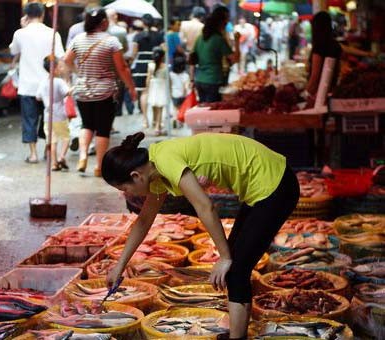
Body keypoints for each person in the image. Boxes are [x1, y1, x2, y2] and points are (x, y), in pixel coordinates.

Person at [102, 132, 299, 339]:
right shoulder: (156, 171)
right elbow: (144, 220)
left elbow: (206, 207)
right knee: (235, 267)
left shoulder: (165, 160)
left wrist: (224, 257)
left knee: (236, 269)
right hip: (263, 184)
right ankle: (236, 333)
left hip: (275, 184)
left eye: (124, 188)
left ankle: (237, 337)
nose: (127, 194)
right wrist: (120, 265)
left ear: (135, 176)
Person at [64, 7, 136, 177]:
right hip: (104, 91)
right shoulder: (111, 42)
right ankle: (99, 167)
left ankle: (82, 157)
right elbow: (122, 68)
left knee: (87, 125)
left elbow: (66, 60)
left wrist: (78, 72)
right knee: (103, 129)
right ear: (104, 22)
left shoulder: (78, 39)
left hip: (83, 91)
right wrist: (131, 87)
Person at [10, 2, 64, 163]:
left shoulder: (20, 33)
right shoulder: (52, 33)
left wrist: (22, 27)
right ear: (42, 14)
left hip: (27, 85)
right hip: (48, 85)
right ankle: (49, 150)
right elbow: (60, 57)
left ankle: (33, 154)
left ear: (26, 15)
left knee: (29, 119)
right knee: (49, 118)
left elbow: (13, 51)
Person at [190, 7, 240, 103]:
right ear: (221, 22)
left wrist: (192, 80)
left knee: (204, 113)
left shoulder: (200, 38)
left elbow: (192, 60)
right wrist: (237, 41)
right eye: (226, 19)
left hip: (200, 80)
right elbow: (235, 59)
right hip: (213, 81)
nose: (227, 22)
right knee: (211, 113)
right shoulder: (218, 39)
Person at [36, 56, 71, 171]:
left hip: (47, 116)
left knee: (52, 141)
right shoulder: (59, 82)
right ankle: (61, 157)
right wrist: (72, 87)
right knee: (66, 137)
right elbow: (67, 92)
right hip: (60, 114)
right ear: (54, 68)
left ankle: (54, 164)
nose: (61, 69)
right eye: (59, 66)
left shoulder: (43, 83)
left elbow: (38, 97)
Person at [304, 11, 342, 108]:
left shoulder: (319, 46)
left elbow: (315, 77)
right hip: (331, 93)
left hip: (317, 98)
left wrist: (304, 95)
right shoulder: (335, 45)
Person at [131, 13, 164, 121]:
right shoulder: (159, 35)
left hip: (141, 66)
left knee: (144, 93)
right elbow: (164, 50)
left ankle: (145, 119)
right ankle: (156, 121)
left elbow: (134, 53)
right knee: (156, 92)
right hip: (155, 65)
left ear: (143, 23)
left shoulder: (137, 36)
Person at [145, 47, 168, 136]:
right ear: (163, 56)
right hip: (162, 87)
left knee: (154, 106)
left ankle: (155, 123)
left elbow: (148, 78)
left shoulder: (150, 65)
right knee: (160, 108)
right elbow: (167, 79)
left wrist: (147, 89)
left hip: (153, 86)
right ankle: (158, 126)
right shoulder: (165, 66)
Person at [170, 55, 190, 122]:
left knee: (175, 108)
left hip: (174, 94)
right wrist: (184, 94)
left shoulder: (171, 74)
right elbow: (185, 86)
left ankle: (175, 119)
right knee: (182, 108)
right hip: (183, 95)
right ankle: (181, 120)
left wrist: (170, 94)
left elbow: (170, 85)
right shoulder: (186, 75)